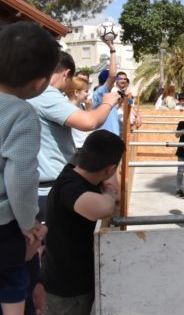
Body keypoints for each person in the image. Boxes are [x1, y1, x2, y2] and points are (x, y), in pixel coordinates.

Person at [0, 21, 56, 315]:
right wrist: (28, 223)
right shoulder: (21, 114)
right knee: (14, 279)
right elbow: (20, 178)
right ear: (39, 83)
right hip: (4, 226)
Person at [28, 51, 120, 221]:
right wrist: (108, 102)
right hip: (50, 188)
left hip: (39, 186)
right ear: (66, 74)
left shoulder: (29, 91)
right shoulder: (46, 94)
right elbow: (89, 122)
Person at [42, 130, 124, 315]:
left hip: (69, 281)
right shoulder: (70, 187)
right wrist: (109, 193)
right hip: (67, 290)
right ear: (110, 169)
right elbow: (106, 207)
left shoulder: (73, 171)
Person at [65, 76, 91, 150]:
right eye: (86, 91)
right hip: (75, 147)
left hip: (84, 145)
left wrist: (88, 108)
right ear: (76, 92)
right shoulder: (67, 108)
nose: (88, 94)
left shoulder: (81, 105)